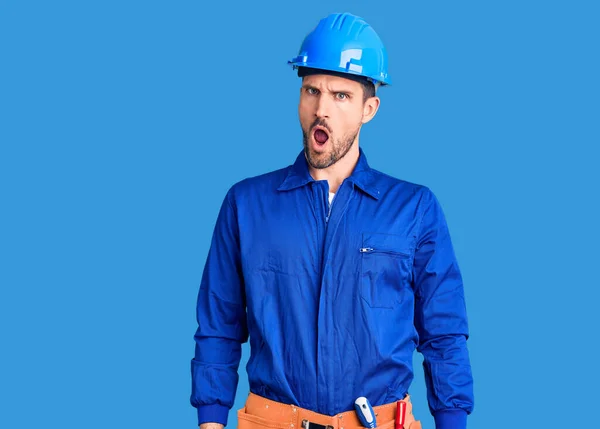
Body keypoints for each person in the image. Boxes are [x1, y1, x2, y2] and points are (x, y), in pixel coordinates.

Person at [191, 12, 474, 429]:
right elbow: (219, 324)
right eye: (311, 91)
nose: (321, 109)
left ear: (369, 109)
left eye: (340, 95)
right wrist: (211, 421)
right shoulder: (246, 204)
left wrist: (452, 421)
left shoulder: (414, 208)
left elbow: (444, 332)